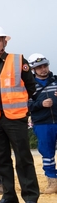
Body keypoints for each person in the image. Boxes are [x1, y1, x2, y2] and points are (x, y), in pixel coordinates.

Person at [0, 25, 40, 203]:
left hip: (15, 117)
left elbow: (30, 87)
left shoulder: (18, 60)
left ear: (4, 42)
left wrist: (23, 108)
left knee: (23, 157)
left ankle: (30, 197)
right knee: (0, 159)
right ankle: (9, 196)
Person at [29, 53, 57, 194]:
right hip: (42, 124)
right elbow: (25, 105)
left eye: (44, 66)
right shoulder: (29, 86)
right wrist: (41, 104)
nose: (43, 69)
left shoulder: (56, 81)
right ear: (33, 69)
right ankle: (52, 181)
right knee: (47, 153)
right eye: (39, 67)